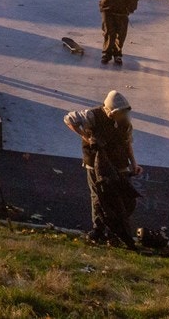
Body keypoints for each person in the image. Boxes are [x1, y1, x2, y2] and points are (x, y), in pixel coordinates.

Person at [64, 90, 142, 246]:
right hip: (96, 164)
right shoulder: (93, 116)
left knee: (121, 199)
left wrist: (134, 163)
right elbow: (69, 119)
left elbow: (127, 143)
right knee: (99, 197)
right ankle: (98, 229)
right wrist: (86, 136)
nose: (120, 116)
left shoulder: (125, 122)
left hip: (118, 164)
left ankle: (116, 230)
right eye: (117, 112)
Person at [95, 0, 140, 65]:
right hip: (107, 10)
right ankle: (106, 54)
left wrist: (129, 8)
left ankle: (117, 54)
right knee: (109, 32)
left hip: (121, 12)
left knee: (120, 34)